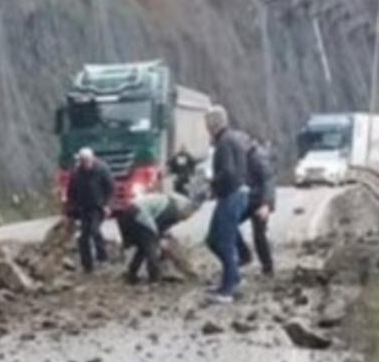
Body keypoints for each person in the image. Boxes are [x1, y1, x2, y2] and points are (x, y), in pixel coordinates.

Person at [204, 106, 249, 303]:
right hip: (236, 194)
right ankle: (233, 278)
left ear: (214, 124)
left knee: (223, 242)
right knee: (214, 239)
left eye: (208, 123)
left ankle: (228, 289)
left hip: (230, 196)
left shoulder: (224, 143)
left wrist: (212, 182)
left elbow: (229, 172)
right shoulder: (234, 139)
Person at [118, 193, 198, 284]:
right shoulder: (173, 211)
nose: (184, 220)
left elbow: (159, 228)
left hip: (128, 213)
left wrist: (161, 236)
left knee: (143, 247)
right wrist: (160, 240)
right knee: (151, 247)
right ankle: (154, 277)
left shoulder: (167, 203)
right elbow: (157, 229)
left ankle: (132, 275)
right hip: (140, 214)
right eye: (186, 217)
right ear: (185, 210)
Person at [66, 147, 113, 273]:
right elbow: (71, 192)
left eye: (87, 160)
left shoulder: (102, 170)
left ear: (92, 159)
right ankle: (87, 265)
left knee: (94, 230)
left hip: (98, 207)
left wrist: (107, 204)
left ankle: (102, 258)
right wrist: (71, 210)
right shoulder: (76, 173)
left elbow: (110, 188)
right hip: (83, 208)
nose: (85, 163)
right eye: (82, 161)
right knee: (83, 237)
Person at [237, 139, 277, 277]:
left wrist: (266, 204)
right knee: (229, 223)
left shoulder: (258, 157)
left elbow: (268, 180)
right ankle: (244, 254)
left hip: (260, 201)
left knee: (259, 235)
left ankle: (268, 267)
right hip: (247, 199)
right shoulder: (242, 157)